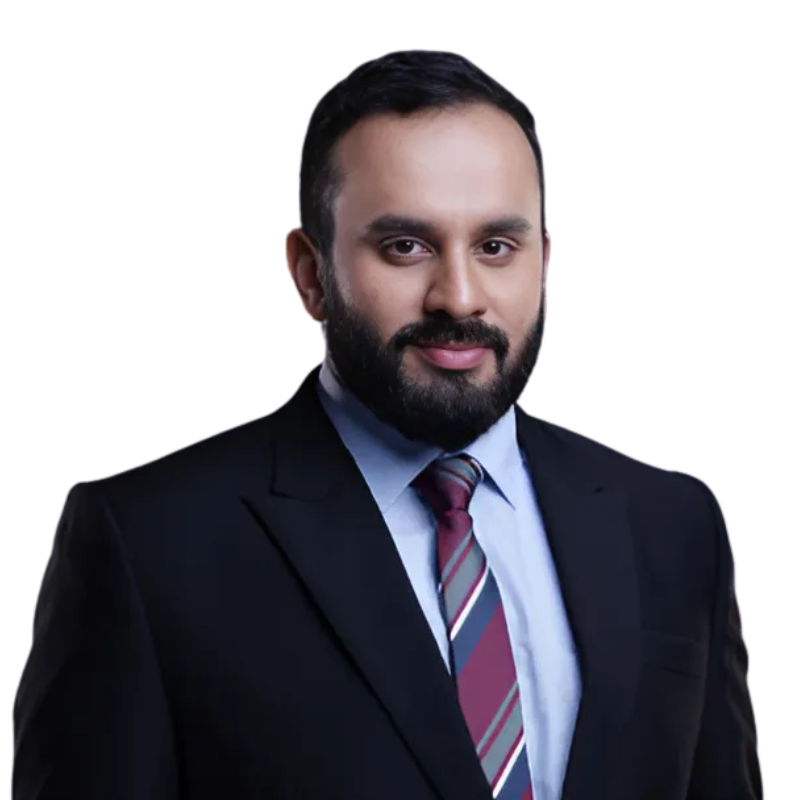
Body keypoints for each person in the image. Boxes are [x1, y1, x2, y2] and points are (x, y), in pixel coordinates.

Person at [11, 49, 762, 799]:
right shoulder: (147, 543)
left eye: (496, 247)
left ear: (544, 265)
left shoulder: (674, 525)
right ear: (310, 274)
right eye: (405, 247)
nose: (458, 297)